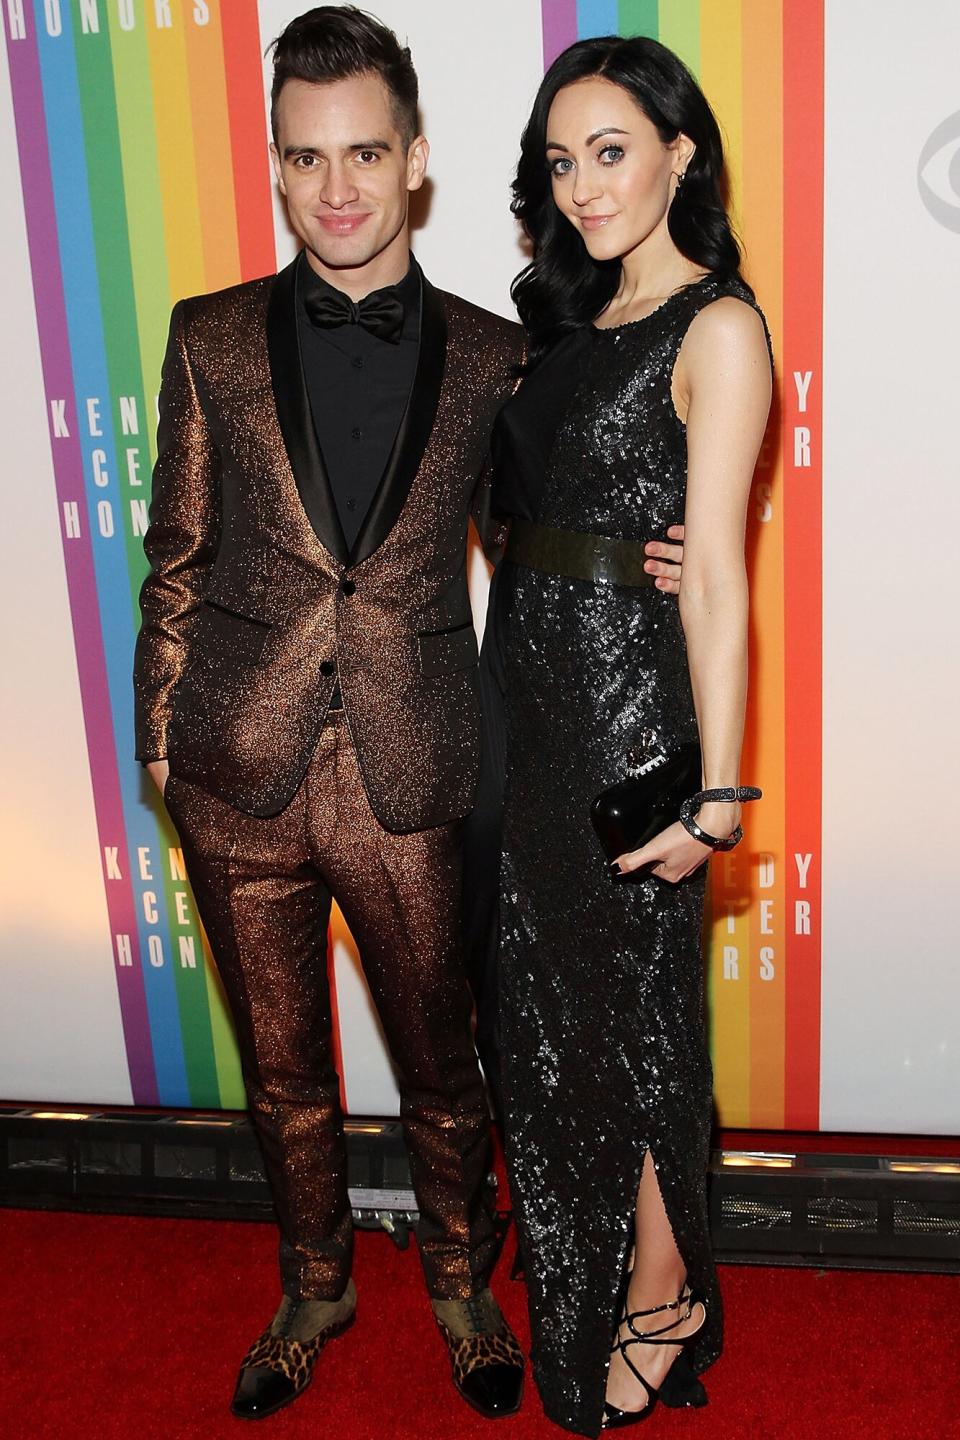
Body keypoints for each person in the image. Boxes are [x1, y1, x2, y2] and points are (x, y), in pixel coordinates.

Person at [133, 6, 537, 1422]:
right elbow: (173, 561)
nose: (338, 187)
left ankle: (459, 1284)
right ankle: (314, 1281)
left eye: (365, 151)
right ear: (277, 165)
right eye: (305, 158)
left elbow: (533, 569)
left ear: (416, 160)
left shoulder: (495, 356)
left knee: (444, 1064)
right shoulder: (210, 338)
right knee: (285, 1075)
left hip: (412, 770)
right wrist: (166, 751)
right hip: (235, 773)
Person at [492, 35, 772, 1437]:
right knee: (549, 1035)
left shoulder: (716, 327)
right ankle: (609, 1272)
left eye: (613, 150)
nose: (586, 184)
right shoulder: (555, 324)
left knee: (637, 1033)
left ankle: (665, 1293)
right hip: (518, 714)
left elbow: (716, 573)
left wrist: (717, 798)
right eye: (563, 159)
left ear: (680, 153)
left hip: (627, 724)